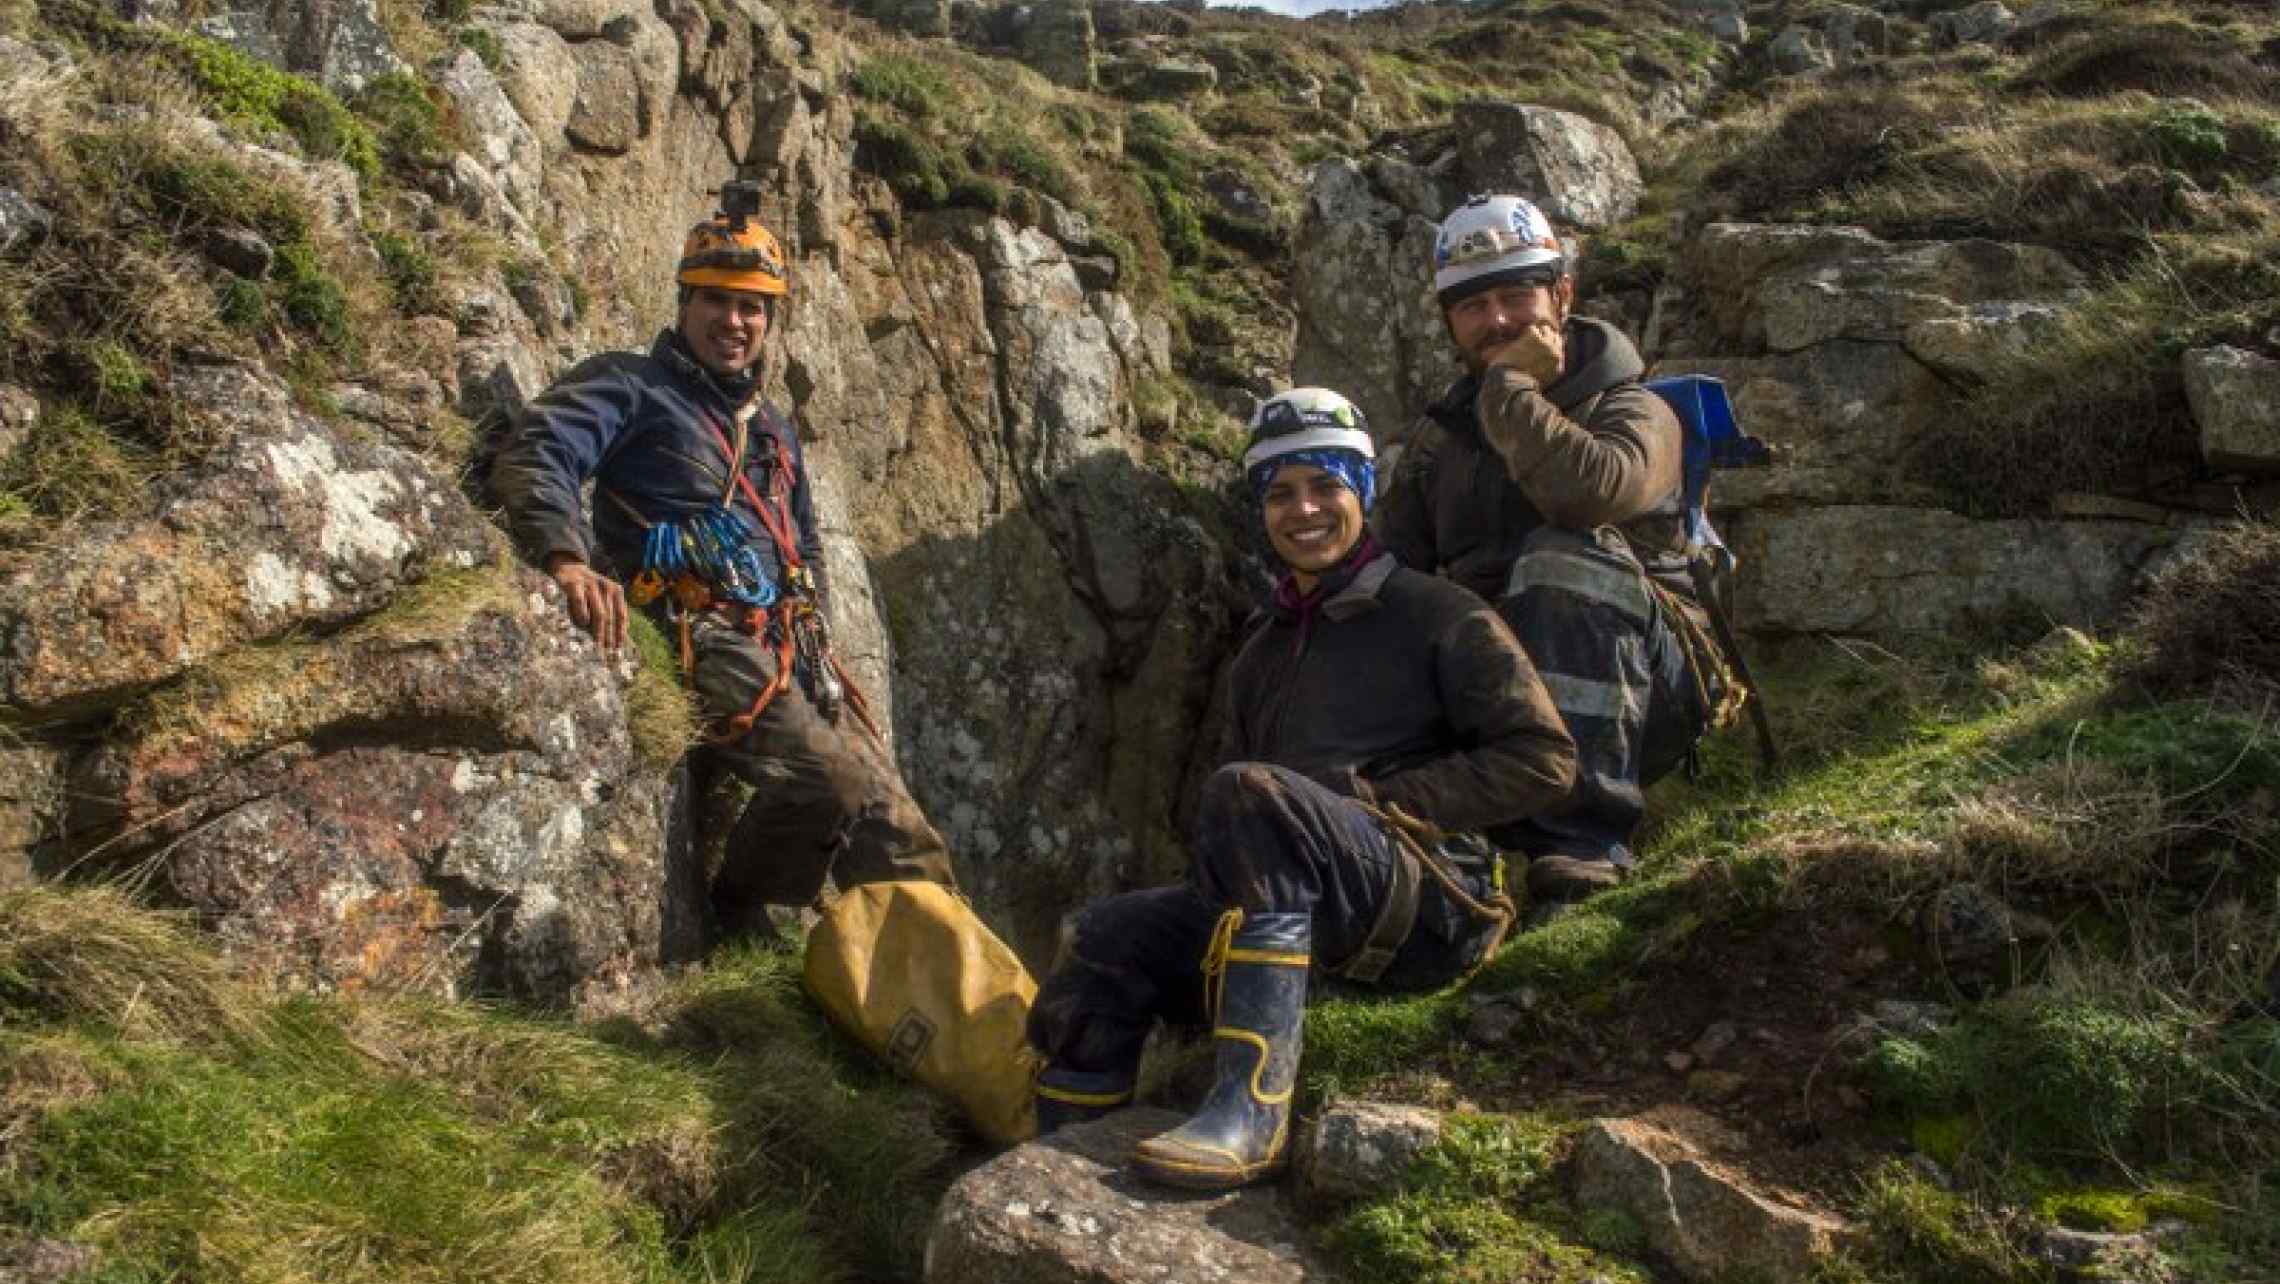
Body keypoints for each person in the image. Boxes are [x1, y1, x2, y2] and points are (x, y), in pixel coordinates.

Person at [1026, 387, 1577, 1189]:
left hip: (1427, 906)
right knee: (1106, 934)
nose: (1304, 510)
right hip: (1299, 913)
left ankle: (1250, 1112)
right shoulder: (1260, 649)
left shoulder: (1439, 613)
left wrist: (1381, 801)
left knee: (1250, 791)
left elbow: (1544, 758)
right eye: (1280, 493)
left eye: (1325, 486)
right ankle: (1062, 1160)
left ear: (1363, 493)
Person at [491, 187, 956, 936]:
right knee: (829, 784)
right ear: (684, 302)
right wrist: (566, 556)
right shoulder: (631, 386)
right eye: (716, 301)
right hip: (700, 628)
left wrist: (822, 648)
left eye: (752, 308)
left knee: (904, 838)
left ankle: (958, 1009)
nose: (733, 322)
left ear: (771, 322)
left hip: (788, 639)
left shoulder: (772, 431)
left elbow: (799, 546)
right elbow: (543, 447)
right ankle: (744, 919)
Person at [1376, 193, 1724, 914]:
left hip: (1644, 691)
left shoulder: (1638, 409)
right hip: (1503, 694)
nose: (1497, 320)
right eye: (1473, 306)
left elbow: (1585, 496)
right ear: (1448, 319)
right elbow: (1387, 574)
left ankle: (1583, 841)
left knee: (1561, 552)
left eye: (1515, 296)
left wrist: (1508, 387)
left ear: (1562, 295)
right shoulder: (1437, 445)